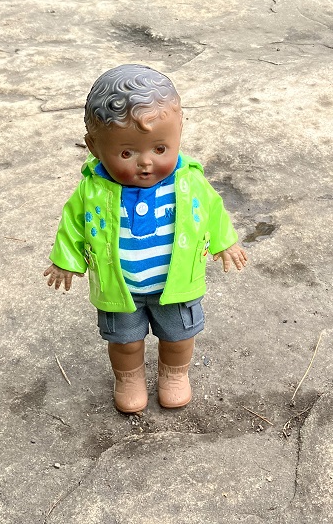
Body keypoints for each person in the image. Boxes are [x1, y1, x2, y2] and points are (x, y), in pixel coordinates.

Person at [44, 64, 247, 415]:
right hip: (119, 287)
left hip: (176, 284)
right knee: (124, 342)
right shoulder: (93, 190)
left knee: (179, 337)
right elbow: (73, 224)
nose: (146, 163)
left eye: (161, 148)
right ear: (94, 147)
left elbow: (212, 210)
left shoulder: (188, 182)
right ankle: (129, 378)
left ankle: (174, 374)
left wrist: (224, 241)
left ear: (179, 134)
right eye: (127, 153)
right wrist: (67, 259)